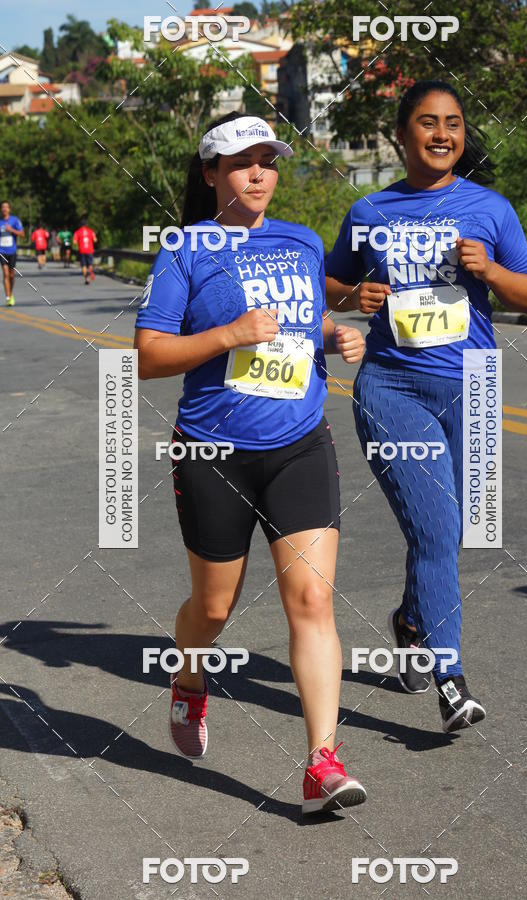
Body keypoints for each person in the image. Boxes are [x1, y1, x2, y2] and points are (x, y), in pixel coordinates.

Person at [134, 112, 368, 814]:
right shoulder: (184, 248)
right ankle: (189, 678)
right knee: (213, 607)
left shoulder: (301, 242)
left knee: (313, 600)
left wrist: (335, 333)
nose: (259, 173)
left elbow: (299, 323)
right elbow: (148, 357)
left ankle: (322, 761)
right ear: (211, 173)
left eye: (268, 160)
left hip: (300, 444)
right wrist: (229, 333)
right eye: (241, 162)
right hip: (215, 453)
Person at [325, 80, 527, 733]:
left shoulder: (490, 209)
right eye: (427, 122)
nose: (442, 133)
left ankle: (411, 621)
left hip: (474, 384)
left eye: (453, 122)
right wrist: (355, 296)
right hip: (392, 387)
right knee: (438, 531)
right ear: (401, 135)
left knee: (454, 529)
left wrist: (491, 272)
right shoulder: (370, 209)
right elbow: (330, 283)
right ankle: (450, 680)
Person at [0, 200, 25, 306]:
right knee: (5, 274)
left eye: (7, 207)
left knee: (11, 275)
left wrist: (11, 230)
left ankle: (10, 293)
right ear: (1, 209)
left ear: (9, 209)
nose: (5, 209)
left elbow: (22, 234)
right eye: (3, 207)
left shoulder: (15, 220)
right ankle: (8, 297)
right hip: (2, 251)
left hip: (12, 251)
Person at [72, 218, 97, 284]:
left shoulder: (77, 232)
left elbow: (74, 242)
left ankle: (86, 279)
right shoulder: (91, 231)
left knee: (83, 265)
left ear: (80, 225)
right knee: (90, 264)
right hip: (90, 250)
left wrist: (79, 242)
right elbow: (95, 240)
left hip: (82, 250)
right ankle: (90, 272)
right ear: (86, 224)